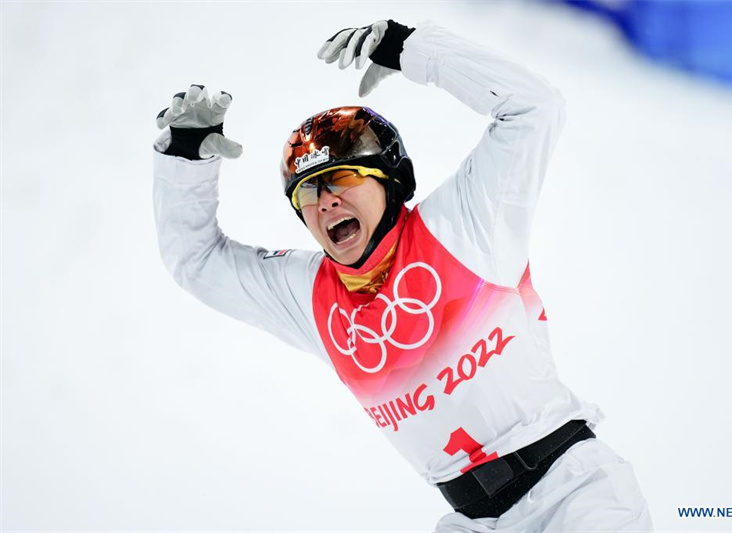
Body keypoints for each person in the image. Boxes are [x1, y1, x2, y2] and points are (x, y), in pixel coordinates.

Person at [152, 19, 654, 533]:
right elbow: (197, 263)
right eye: (308, 193)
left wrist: (413, 49)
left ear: (395, 184)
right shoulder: (311, 297)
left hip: (576, 497)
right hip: (474, 522)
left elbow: (535, 108)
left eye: (343, 177)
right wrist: (184, 161)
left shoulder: (464, 223)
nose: (326, 201)